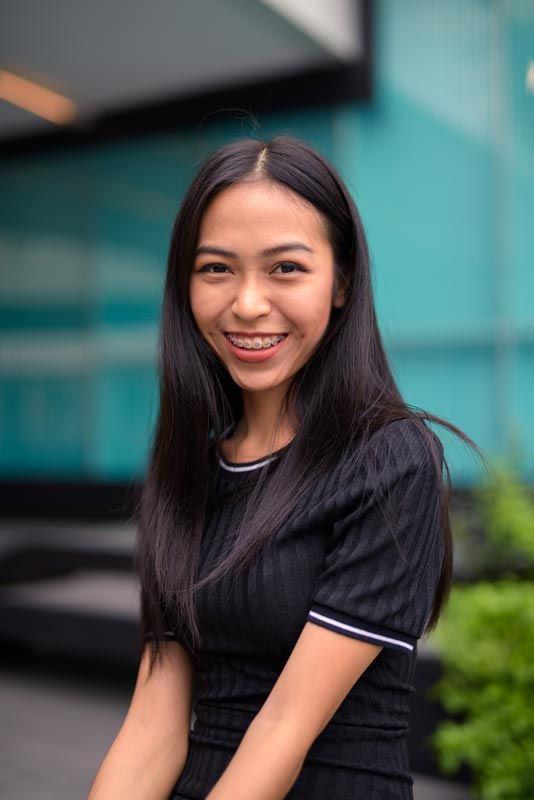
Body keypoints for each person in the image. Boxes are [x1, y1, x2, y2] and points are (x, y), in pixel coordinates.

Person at [88, 134, 486, 800]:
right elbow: (153, 725)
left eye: (286, 269)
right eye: (216, 268)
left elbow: (284, 726)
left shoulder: (390, 461)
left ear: (342, 282)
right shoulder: (187, 469)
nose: (246, 304)